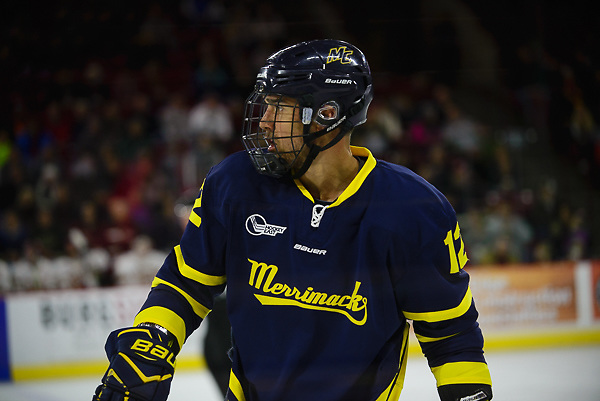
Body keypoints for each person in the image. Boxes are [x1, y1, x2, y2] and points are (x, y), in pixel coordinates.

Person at [93, 39, 493, 401]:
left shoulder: (413, 209)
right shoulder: (234, 183)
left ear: (328, 115)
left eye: (279, 107)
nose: (264, 121)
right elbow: (186, 281)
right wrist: (153, 340)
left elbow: (451, 337)